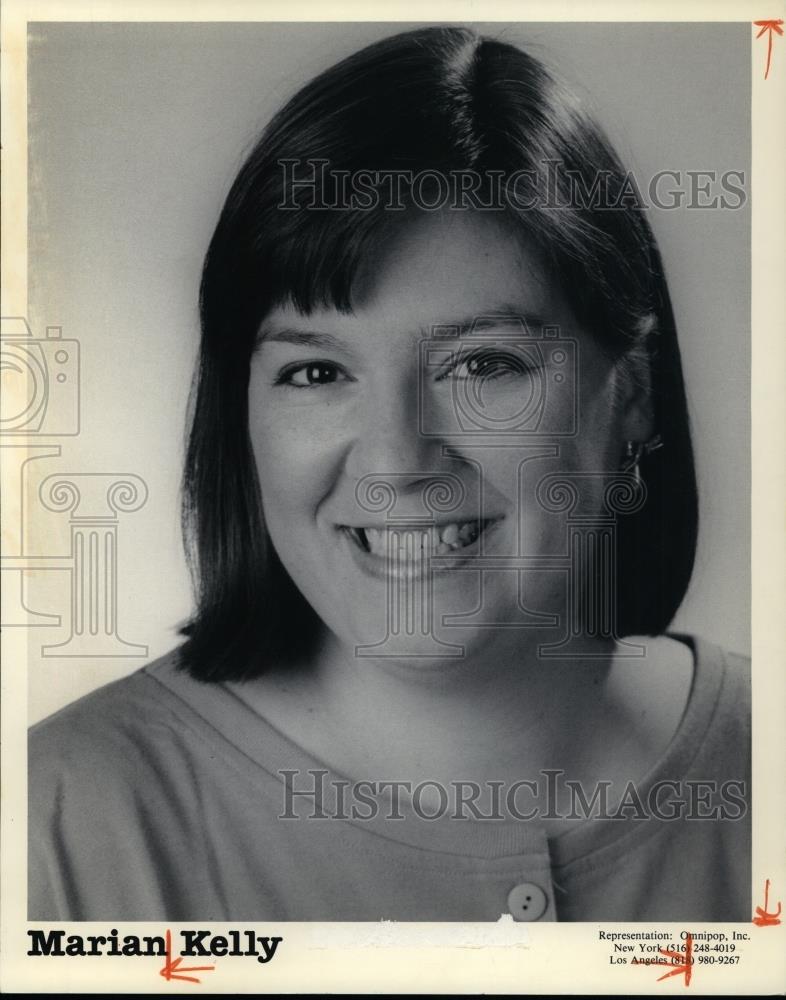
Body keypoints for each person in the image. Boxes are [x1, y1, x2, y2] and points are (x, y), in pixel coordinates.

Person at [29, 25, 749, 922]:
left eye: (484, 366)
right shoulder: (49, 833)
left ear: (630, 393)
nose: (395, 461)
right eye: (318, 373)